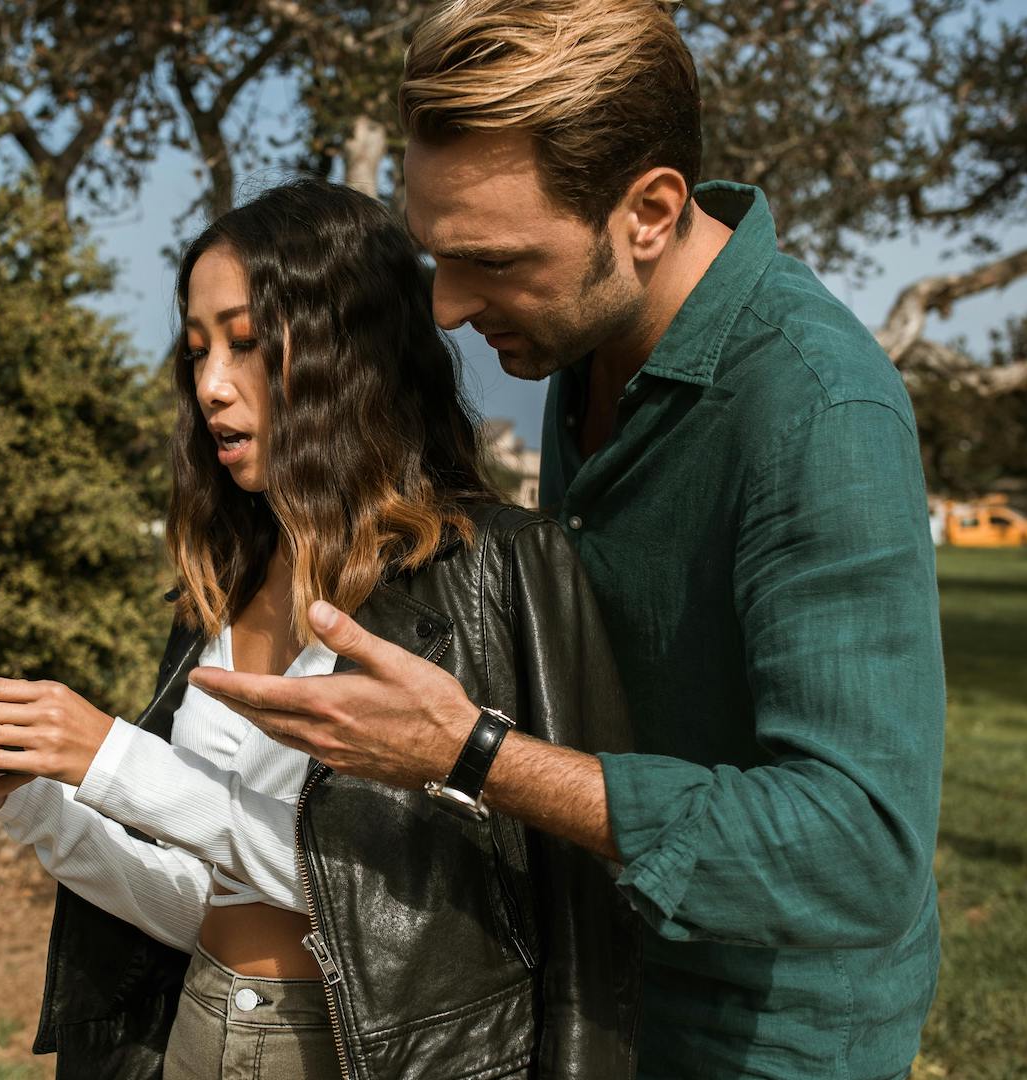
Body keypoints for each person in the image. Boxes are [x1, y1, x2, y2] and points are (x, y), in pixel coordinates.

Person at [191, 3, 947, 1080]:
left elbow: (859, 850)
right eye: (437, 258)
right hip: (588, 983)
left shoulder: (819, 412)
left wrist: (470, 753)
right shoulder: (585, 336)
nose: (448, 307)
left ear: (648, 211)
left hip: (754, 1038)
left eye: (492, 260)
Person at [0, 179, 642, 1080]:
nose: (209, 386)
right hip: (203, 1034)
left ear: (347, 349)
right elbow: (198, 899)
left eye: (245, 344)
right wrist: (29, 799)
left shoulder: (498, 573)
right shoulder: (221, 589)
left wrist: (113, 760)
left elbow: (453, 916)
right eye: (197, 351)